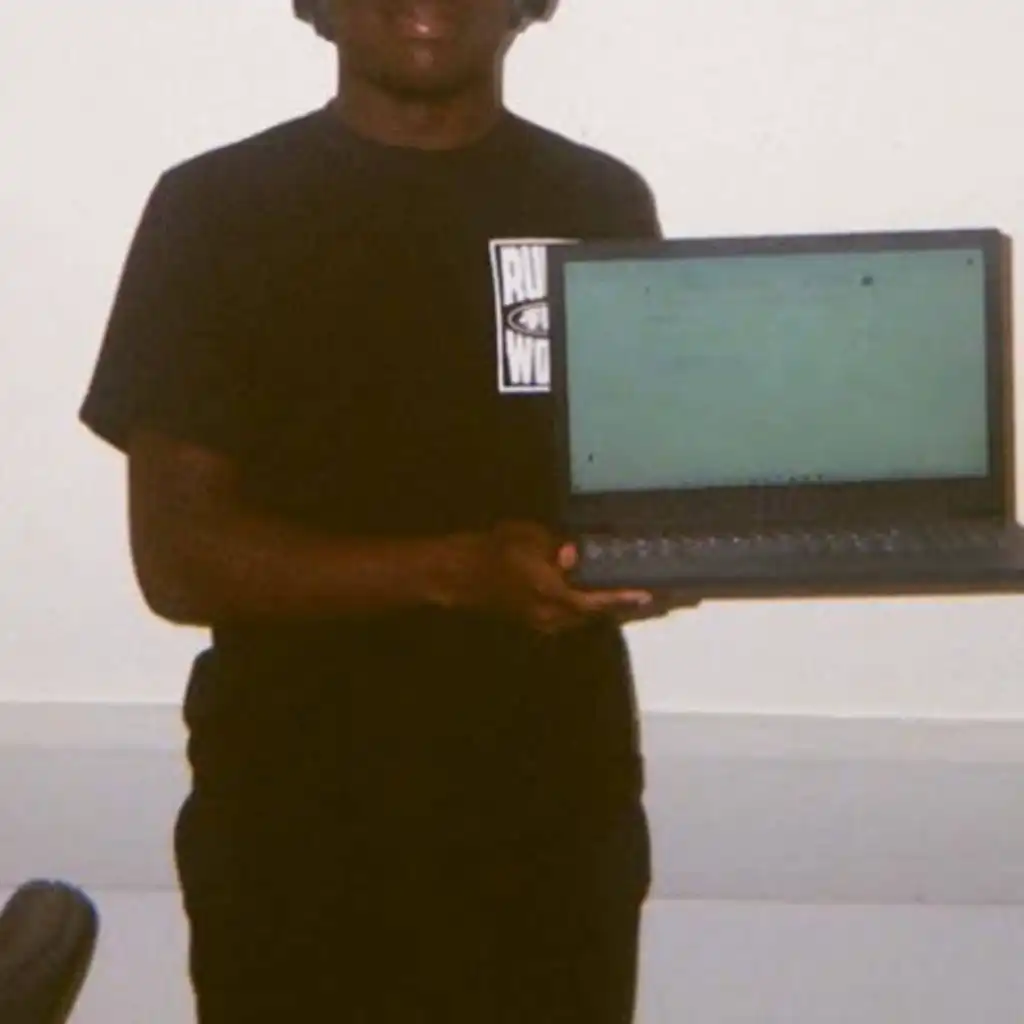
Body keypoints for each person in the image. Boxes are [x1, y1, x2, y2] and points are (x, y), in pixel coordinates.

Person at [79, 0, 689, 1019]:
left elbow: (634, 496)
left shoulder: (598, 199)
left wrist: (667, 549)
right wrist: (460, 572)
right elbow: (179, 559)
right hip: (294, 822)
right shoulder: (216, 208)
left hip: (553, 812)